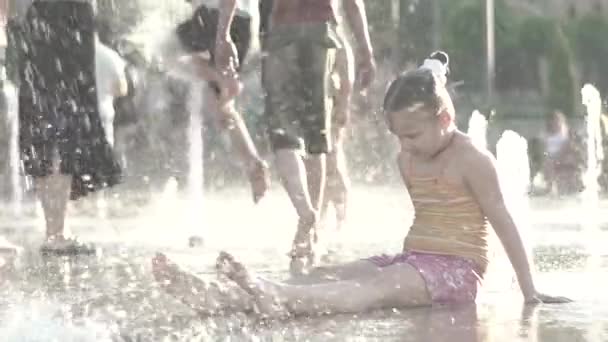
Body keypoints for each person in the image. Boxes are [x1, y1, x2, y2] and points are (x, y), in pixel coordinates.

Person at [151, 52, 571, 318]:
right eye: (398, 136)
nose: (404, 146)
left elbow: (504, 221)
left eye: (412, 135)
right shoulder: (409, 154)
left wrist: (529, 290)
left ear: (445, 120)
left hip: (456, 274)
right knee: (327, 274)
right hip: (415, 260)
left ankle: (271, 294)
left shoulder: (474, 160)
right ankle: (216, 297)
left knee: (369, 289)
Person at [237, 0, 375, 273]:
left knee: (283, 136)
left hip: (281, 30)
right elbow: (352, 4)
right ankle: (311, 237)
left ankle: (305, 211)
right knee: (317, 140)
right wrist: (366, 51)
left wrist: (222, 37)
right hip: (321, 30)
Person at [13, 0, 120, 255]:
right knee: (64, 123)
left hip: (43, 17)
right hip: (68, 18)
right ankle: (56, 233)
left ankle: (55, 231)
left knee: (45, 122)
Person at [160, 0, 270, 203]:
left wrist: (223, 36)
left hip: (216, 19)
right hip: (241, 24)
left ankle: (222, 78)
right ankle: (253, 164)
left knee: (166, 51)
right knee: (222, 110)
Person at [320, 8, 355, 231]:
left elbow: (347, 72)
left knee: (332, 163)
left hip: (330, 108)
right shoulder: (327, 34)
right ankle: (323, 217)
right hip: (325, 107)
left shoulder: (334, 35)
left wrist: (343, 104)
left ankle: (341, 219)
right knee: (325, 163)